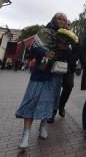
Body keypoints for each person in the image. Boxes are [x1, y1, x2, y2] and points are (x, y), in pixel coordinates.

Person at [15, 12, 68, 149]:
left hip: (55, 74)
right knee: (31, 101)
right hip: (41, 71)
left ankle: (42, 127)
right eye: (59, 18)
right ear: (53, 19)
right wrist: (44, 53)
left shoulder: (66, 36)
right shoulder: (44, 31)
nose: (61, 21)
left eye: (63, 19)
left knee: (49, 102)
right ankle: (25, 135)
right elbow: (33, 47)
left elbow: (71, 54)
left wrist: (66, 48)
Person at [58, 20, 79, 118]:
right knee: (55, 88)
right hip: (57, 66)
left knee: (69, 85)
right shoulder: (58, 35)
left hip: (69, 67)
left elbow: (78, 52)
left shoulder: (75, 39)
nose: (68, 26)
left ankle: (61, 106)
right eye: (66, 24)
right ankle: (52, 112)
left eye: (70, 25)